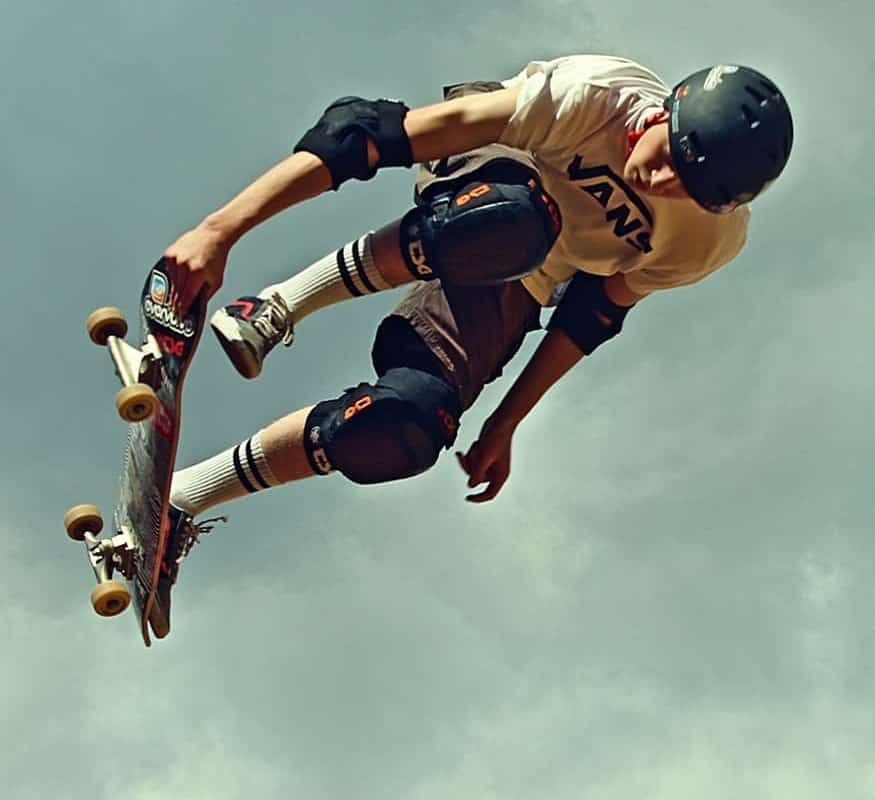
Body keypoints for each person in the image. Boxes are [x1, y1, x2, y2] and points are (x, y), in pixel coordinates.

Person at [152, 55, 793, 632]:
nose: (658, 179)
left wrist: (505, 422)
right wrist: (220, 231)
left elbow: (591, 317)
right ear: (665, 112)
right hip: (496, 176)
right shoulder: (592, 96)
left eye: (687, 187)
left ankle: (182, 499)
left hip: (521, 282)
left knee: (407, 424)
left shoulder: (707, 242)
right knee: (512, 220)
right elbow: (368, 136)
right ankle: (277, 305)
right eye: (669, 155)